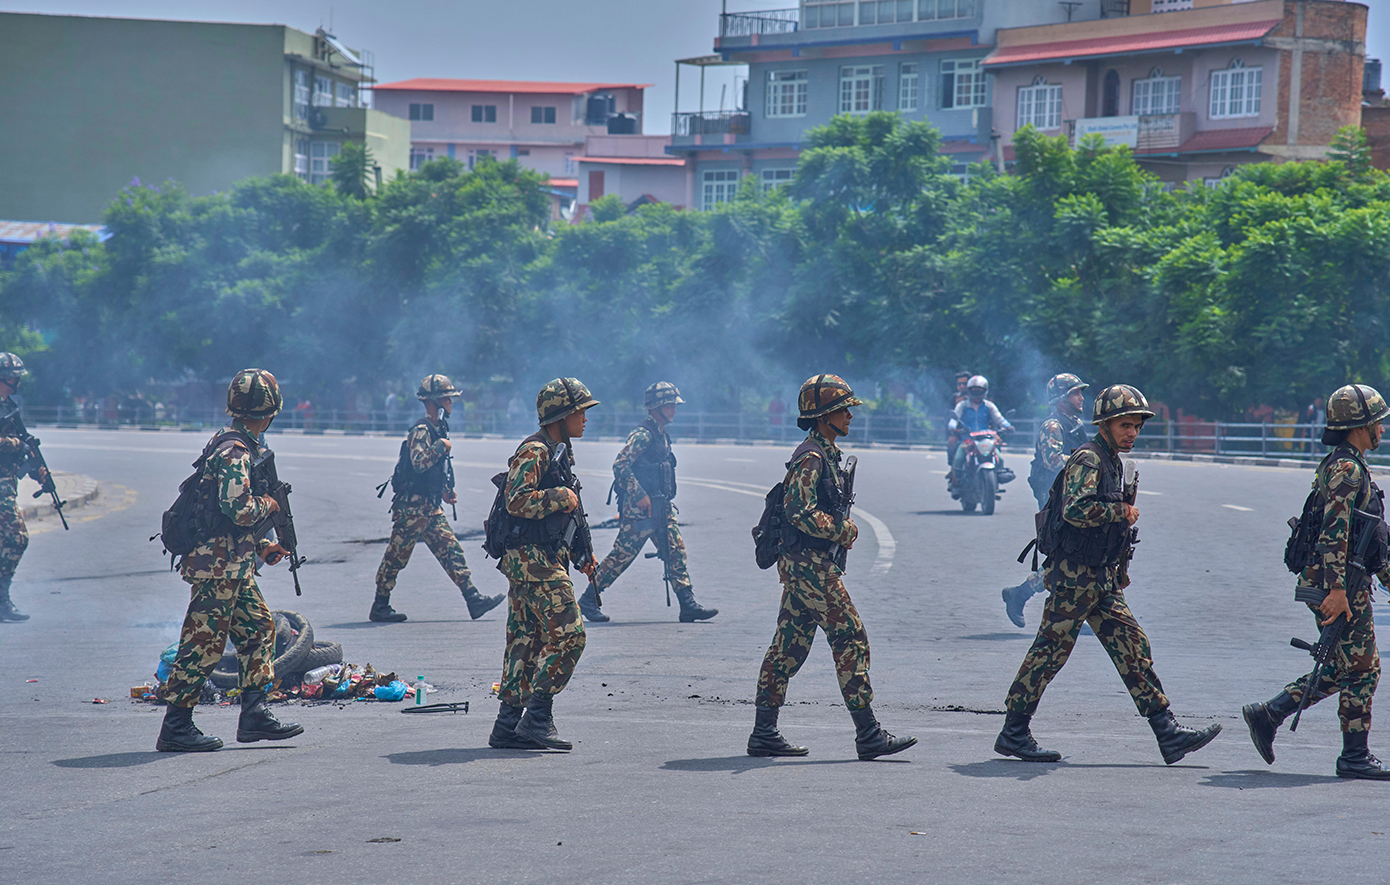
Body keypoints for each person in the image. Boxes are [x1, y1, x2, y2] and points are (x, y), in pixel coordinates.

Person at [994, 384, 1221, 765]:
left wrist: (1118, 567)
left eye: (1136, 426)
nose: (1132, 432)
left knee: (1133, 646)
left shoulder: (1111, 459)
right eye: (1125, 425)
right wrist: (1121, 513)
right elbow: (1076, 511)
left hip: (1099, 577)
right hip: (1074, 576)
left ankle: (1168, 734)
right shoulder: (1090, 458)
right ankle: (1014, 731)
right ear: (1106, 424)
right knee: (1049, 652)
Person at [747, 374, 916, 761]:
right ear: (824, 417)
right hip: (810, 566)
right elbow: (798, 512)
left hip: (805, 566)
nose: (850, 416)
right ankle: (868, 733)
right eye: (843, 410)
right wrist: (843, 529)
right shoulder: (812, 457)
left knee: (788, 646)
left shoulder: (824, 453)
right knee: (850, 636)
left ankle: (763, 732)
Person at [1242, 384, 1390, 780]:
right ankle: (1353, 757)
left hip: (1342, 580)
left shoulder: (1349, 464)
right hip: (1336, 585)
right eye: (1378, 422)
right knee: (1361, 670)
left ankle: (1269, 713)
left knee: (1350, 667)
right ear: (1360, 426)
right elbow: (1335, 532)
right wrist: (1338, 591)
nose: (1382, 429)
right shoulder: (1347, 469)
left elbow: (1368, 535)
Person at [156, 368, 303, 752]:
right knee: (202, 643)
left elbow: (227, 518)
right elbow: (238, 510)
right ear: (270, 411)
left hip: (233, 562)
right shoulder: (235, 451)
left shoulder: (235, 443)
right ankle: (176, 727)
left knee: (259, 629)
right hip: (217, 566)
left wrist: (265, 544)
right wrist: (270, 504)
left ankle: (254, 714)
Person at [487, 378, 600, 752]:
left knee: (526, 642)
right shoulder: (535, 451)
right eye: (579, 411)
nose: (585, 418)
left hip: (536, 559)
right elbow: (515, 501)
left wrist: (582, 554)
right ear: (560, 416)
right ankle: (536, 717)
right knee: (571, 635)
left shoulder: (557, 450)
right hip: (533, 562)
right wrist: (559, 496)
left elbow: (568, 516)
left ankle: (507, 725)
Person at [369, 374, 504, 623]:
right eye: (447, 399)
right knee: (396, 556)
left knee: (451, 550)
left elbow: (429, 471)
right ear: (435, 401)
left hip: (429, 506)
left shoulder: (437, 428)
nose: (451, 403)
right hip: (411, 508)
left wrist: (442, 491)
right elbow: (418, 464)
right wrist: (441, 446)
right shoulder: (422, 430)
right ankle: (380, 605)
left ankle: (473, 598)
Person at [580, 383, 716, 623]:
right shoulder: (643, 434)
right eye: (670, 405)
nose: (674, 409)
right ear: (657, 407)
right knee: (622, 556)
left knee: (675, 550)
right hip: (640, 510)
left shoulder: (661, 433)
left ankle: (687, 604)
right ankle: (589, 600)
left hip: (661, 506)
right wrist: (640, 495)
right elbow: (620, 465)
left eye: (674, 404)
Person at [1003, 373, 1090, 627]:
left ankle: (1022, 595)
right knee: (1067, 555)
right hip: (1055, 496)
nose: (1080, 397)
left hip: (1073, 493)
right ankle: (1030, 598)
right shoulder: (1053, 425)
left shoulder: (1074, 422)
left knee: (1074, 554)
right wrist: (1087, 462)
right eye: (1075, 393)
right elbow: (1052, 460)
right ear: (1062, 398)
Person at [0, 353, 43, 622]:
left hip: (7, 483)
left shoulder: (8, 406)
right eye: (14, 377)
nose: (17, 382)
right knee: (17, 538)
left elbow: (25, 443)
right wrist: (18, 445)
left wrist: (38, 470)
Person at [948, 375, 1013, 493]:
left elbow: (999, 418)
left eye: (979, 391)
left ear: (985, 391)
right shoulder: (962, 405)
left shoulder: (989, 406)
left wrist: (1008, 426)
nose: (976, 394)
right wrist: (952, 427)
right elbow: (954, 419)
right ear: (969, 391)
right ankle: (958, 483)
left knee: (1000, 459)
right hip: (967, 440)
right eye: (974, 391)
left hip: (986, 438)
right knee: (958, 459)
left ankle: (997, 479)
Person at [944, 371, 972, 470]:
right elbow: (949, 415)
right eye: (959, 384)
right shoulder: (954, 398)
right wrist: (952, 431)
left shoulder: (978, 397)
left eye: (964, 383)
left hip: (978, 430)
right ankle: (953, 469)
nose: (962, 386)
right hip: (959, 431)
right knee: (952, 444)